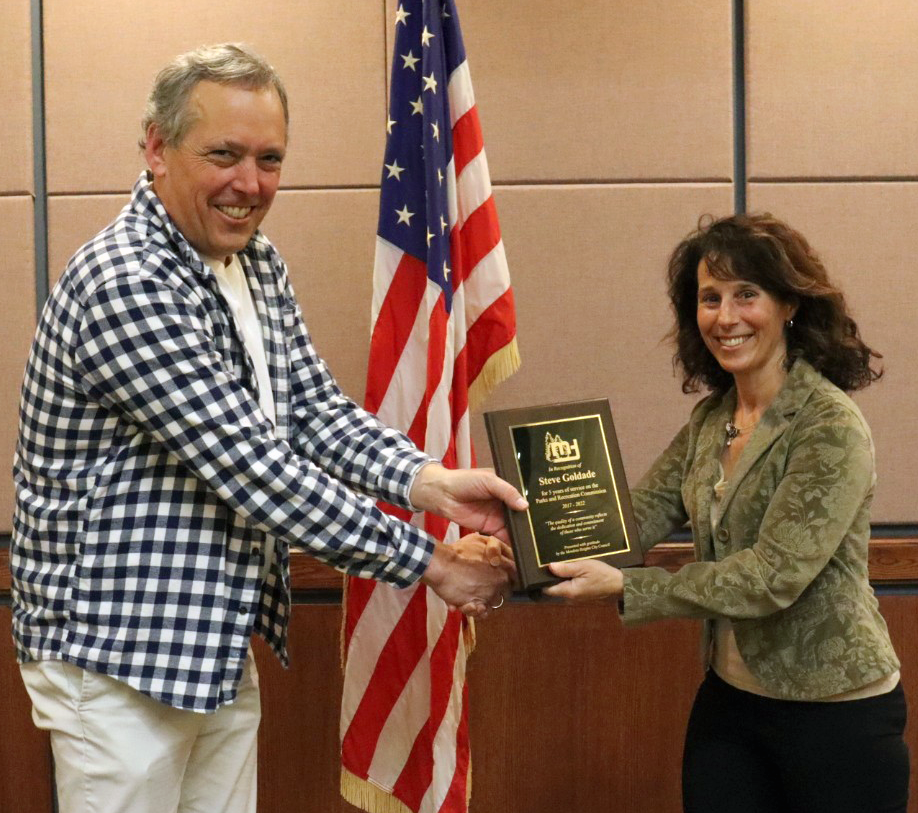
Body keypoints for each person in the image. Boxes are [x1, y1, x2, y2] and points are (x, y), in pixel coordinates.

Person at [11, 43, 524, 813]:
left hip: (210, 644)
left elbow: (311, 411)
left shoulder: (255, 264)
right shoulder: (125, 281)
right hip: (115, 664)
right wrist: (434, 564)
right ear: (155, 146)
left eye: (269, 159)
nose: (248, 184)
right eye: (223, 154)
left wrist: (435, 483)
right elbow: (256, 468)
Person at [545, 213, 908, 813]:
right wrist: (530, 546)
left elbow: (773, 576)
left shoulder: (829, 424)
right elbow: (636, 515)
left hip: (837, 711)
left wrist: (630, 587)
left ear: (789, 303)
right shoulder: (712, 419)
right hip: (732, 700)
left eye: (747, 294)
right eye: (709, 298)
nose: (725, 316)